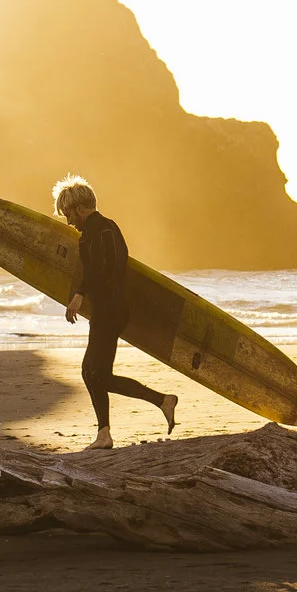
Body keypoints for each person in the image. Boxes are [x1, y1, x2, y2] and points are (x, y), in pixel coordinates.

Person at [55, 175, 177, 450]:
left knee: (93, 373)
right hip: (113, 309)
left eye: (69, 214)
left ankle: (154, 405)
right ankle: (113, 428)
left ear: (79, 207)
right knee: (95, 373)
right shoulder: (109, 228)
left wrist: (79, 295)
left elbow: (100, 270)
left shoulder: (96, 232)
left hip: (109, 310)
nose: (69, 221)